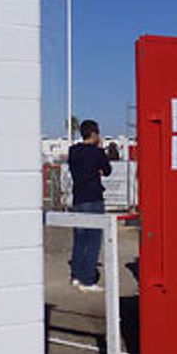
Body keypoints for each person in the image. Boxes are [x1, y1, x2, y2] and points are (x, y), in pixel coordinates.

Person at [68, 120, 112, 292]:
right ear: (94, 134)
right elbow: (107, 170)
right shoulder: (97, 152)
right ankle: (88, 280)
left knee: (79, 239)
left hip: (78, 199)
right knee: (94, 239)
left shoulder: (73, 151)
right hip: (93, 198)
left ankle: (76, 276)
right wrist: (100, 149)